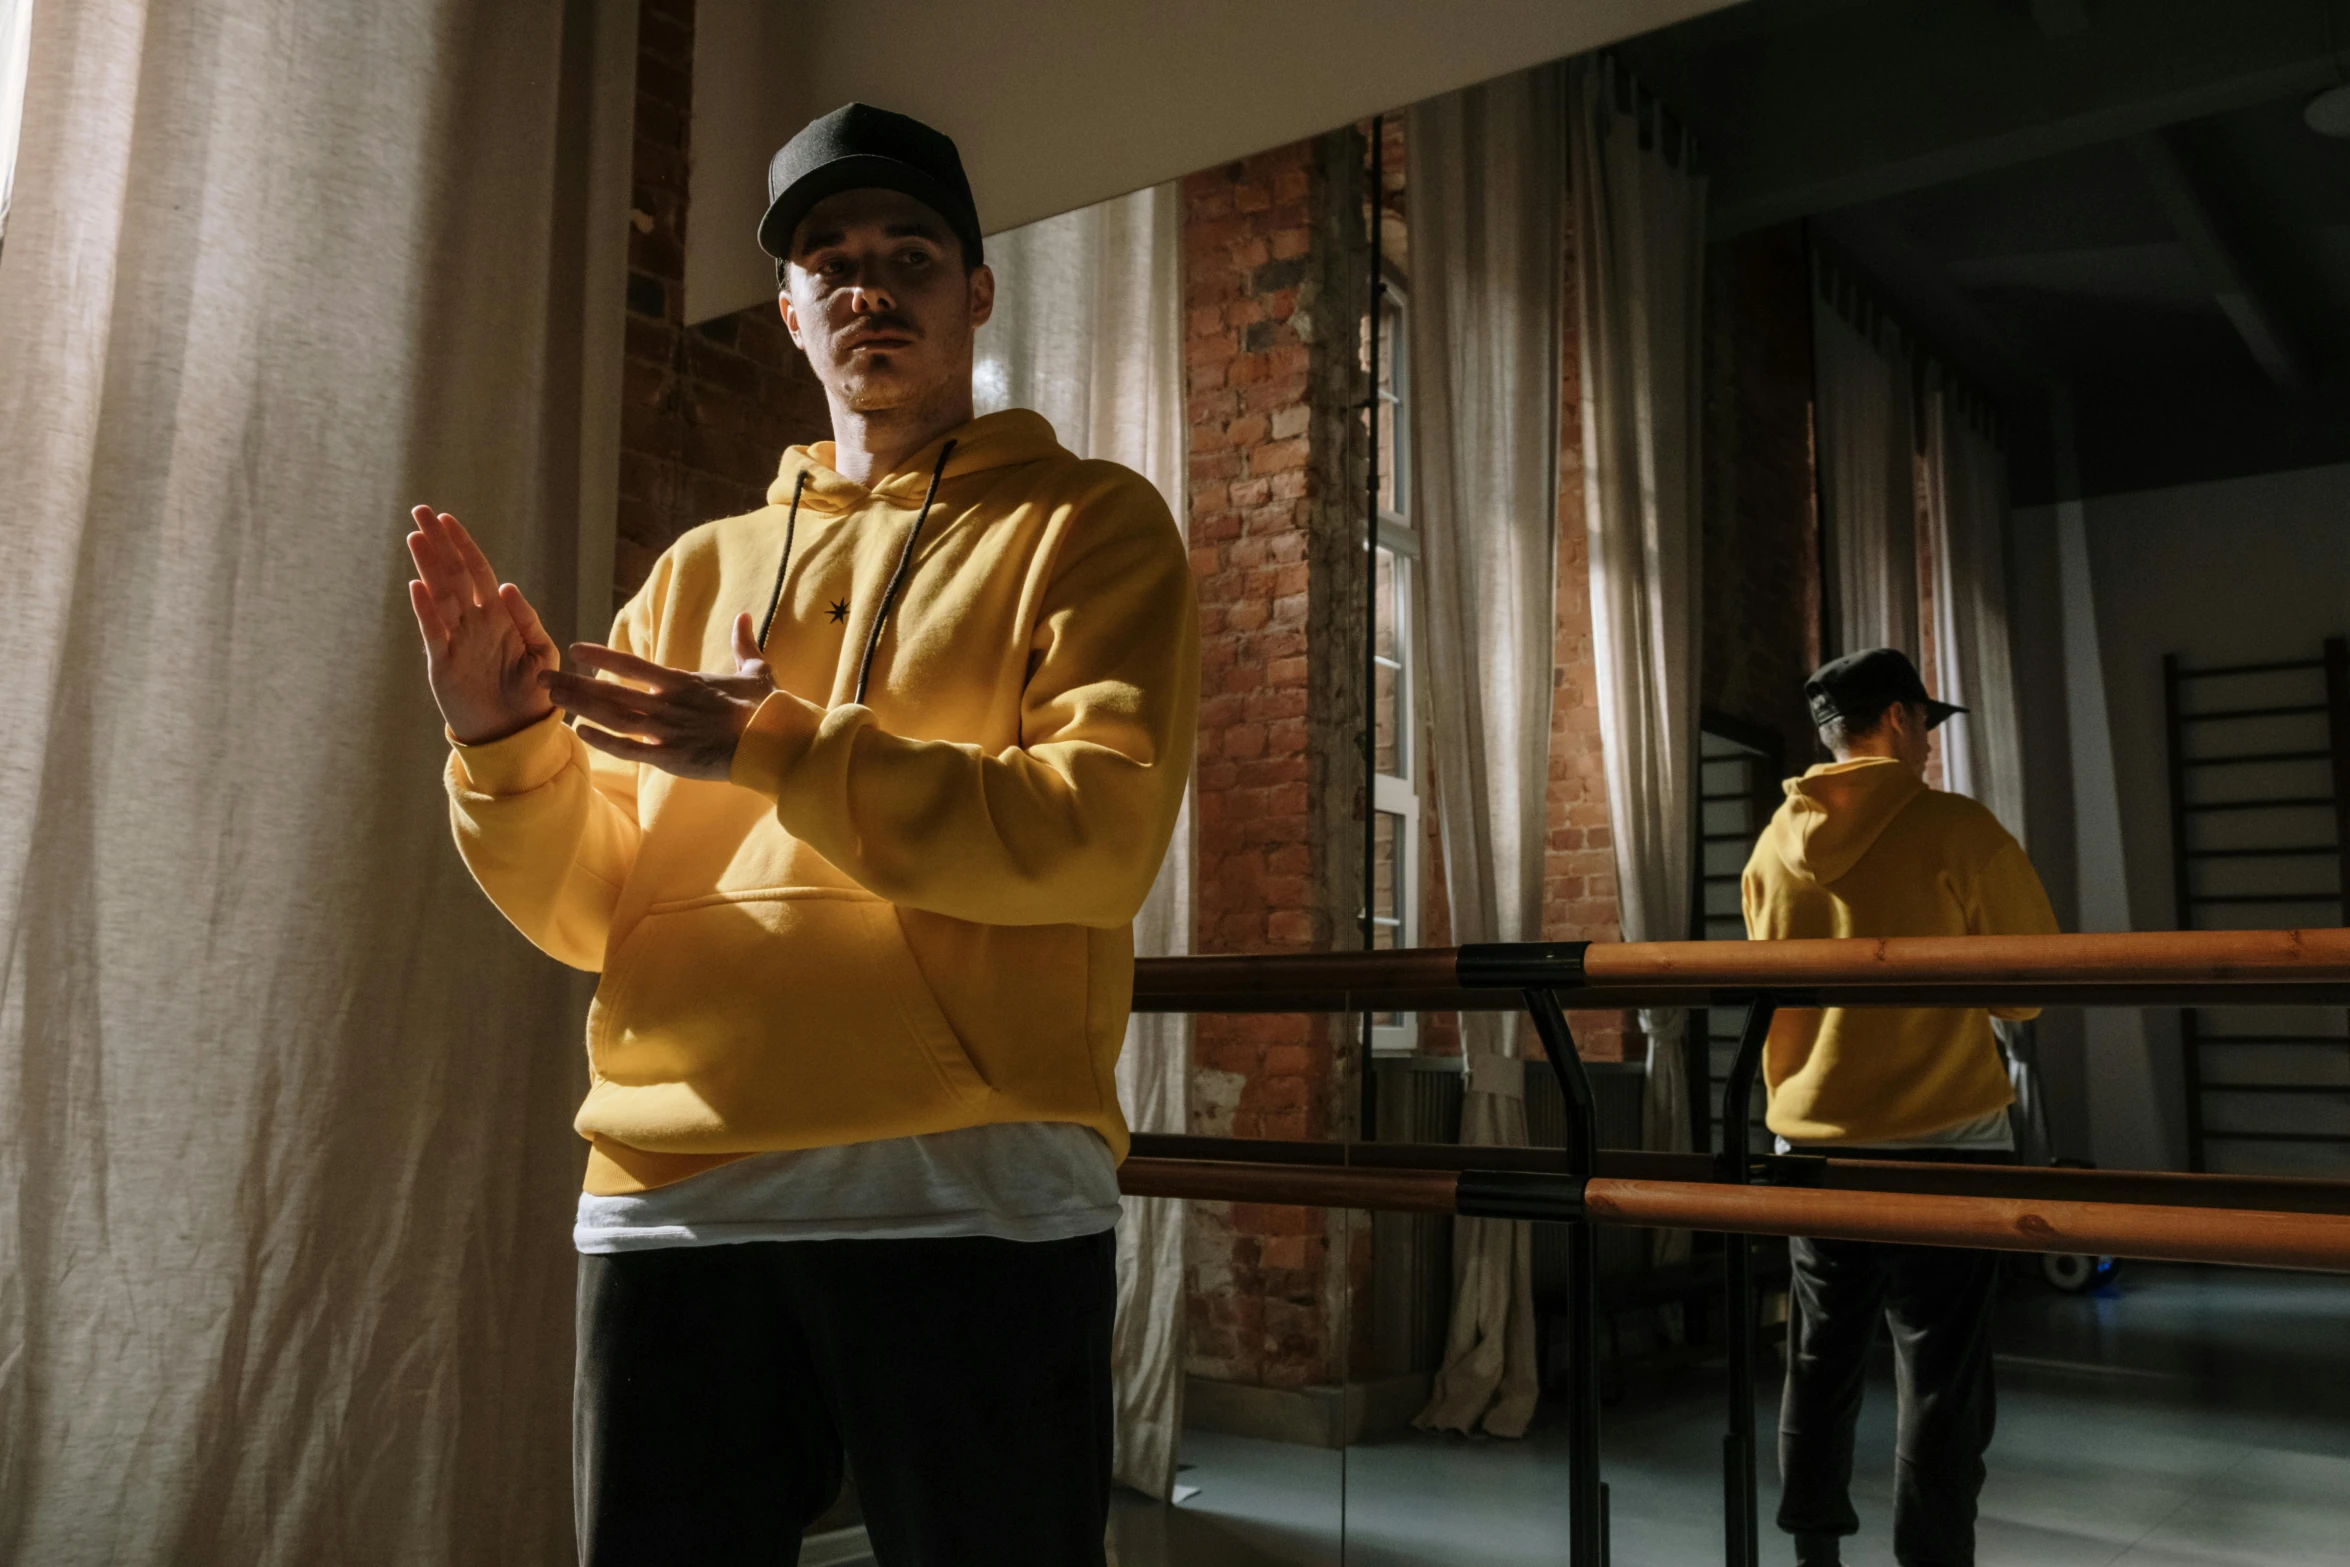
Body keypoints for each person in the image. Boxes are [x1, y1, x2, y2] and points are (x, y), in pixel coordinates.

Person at [403, 103, 1198, 1567]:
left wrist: (763, 745)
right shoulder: (695, 571)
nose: (866, 285)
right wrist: (497, 742)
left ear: (976, 293)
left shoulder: (1088, 525)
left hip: (977, 1198)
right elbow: (599, 912)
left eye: (908, 253)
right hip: (673, 1207)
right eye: (829, 262)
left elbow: (1094, 837)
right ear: (788, 314)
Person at [1741, 648, 2058, 1567]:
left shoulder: (1772, 846)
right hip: (1949, 1138)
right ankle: (1932, 1556)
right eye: (1926, 724)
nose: (1928, 744)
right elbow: (2027, 992)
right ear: (1898, 720)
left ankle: (1812, 1554)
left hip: (1815, 1142)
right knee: (1941, 1373)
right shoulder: (1956, 828)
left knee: (1818, 1356)